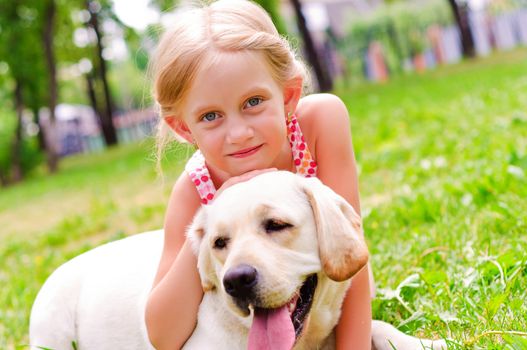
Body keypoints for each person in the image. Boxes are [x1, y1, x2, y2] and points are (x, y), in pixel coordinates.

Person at [144, 0, 372, 349]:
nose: (238, 133)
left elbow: (351, 251)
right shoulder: (194, 189)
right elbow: (162, 334)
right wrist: (209, 232)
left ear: (288, 94)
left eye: (253, 102)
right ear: (184, 129)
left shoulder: (320, 122)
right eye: (210, 116)